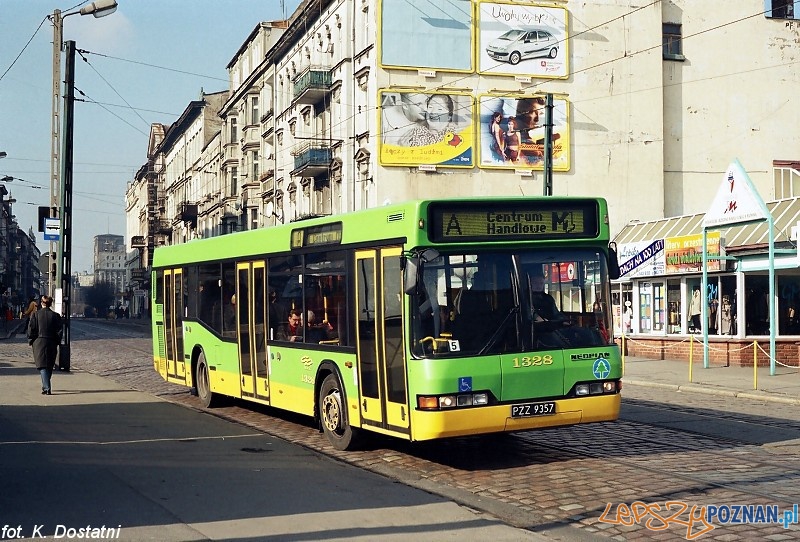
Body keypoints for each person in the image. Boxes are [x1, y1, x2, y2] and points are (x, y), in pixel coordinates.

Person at [27, 295, 62, 395]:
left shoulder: (35, 315)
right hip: (51, 341)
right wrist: (57, 341)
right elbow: (59, 331)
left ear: (41, 303)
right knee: (49, 365)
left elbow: (31, 329)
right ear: (50, 304)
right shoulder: (55, 316)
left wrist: (31, 340)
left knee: (42, 366)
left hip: (39, 342)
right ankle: (46, 385)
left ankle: (47, 388)